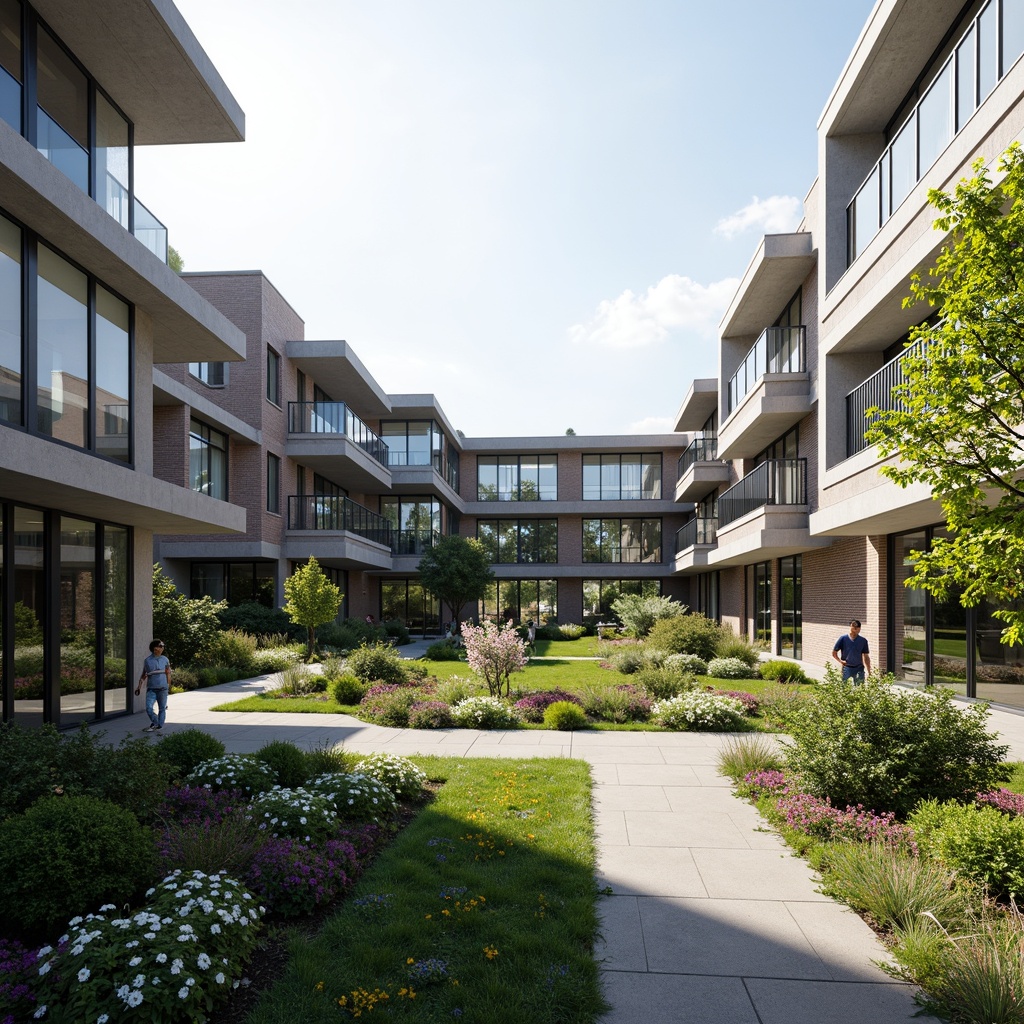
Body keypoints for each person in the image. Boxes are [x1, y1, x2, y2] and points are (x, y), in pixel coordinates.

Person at [136, 639, 171, 732]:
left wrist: (168, 686)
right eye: (159, 646)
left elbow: (168, 674)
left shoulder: (165, 660)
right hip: (151, 689)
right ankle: (156, 723)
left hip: (163, 688)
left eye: (162, 647)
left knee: (162, 708)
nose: (161, 648)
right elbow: (144, 674)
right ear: (153, 648)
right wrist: (139, 687)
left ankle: (159, 726)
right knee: (148, 708)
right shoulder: (147, 661)